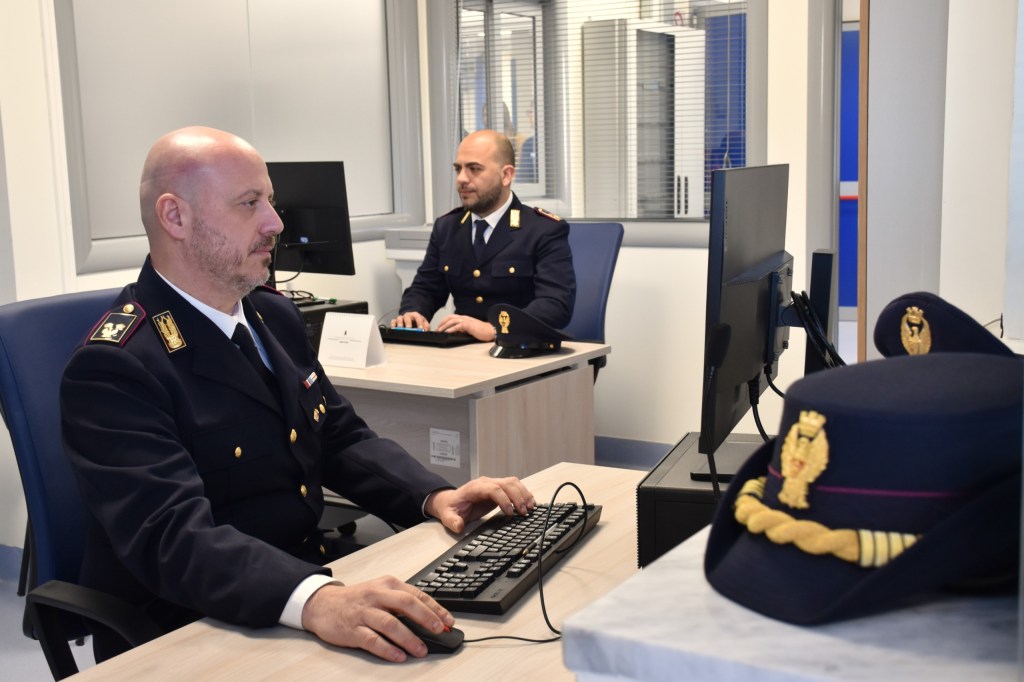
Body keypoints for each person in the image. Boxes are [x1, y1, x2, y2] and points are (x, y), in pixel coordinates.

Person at [60, 126, 536, 664]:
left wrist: (431, 497)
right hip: (189, 625)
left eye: (271, 200)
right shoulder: (116, 366)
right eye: (250, 204)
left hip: (301, 580)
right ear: (175, 217)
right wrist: (316, 600)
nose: (276, 223)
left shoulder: (273, 315)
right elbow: (175, 540)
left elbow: (337, 436)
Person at [390, 129, 575, 342]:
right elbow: (426, 287)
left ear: (506, 175)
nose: (461, 179)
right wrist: (413, 313)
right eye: (458, 169)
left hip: (522, 350)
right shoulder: (448, 227)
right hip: (465, 350)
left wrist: (496, 328)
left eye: (474, 169)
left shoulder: (542, 230)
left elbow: (555, 305)